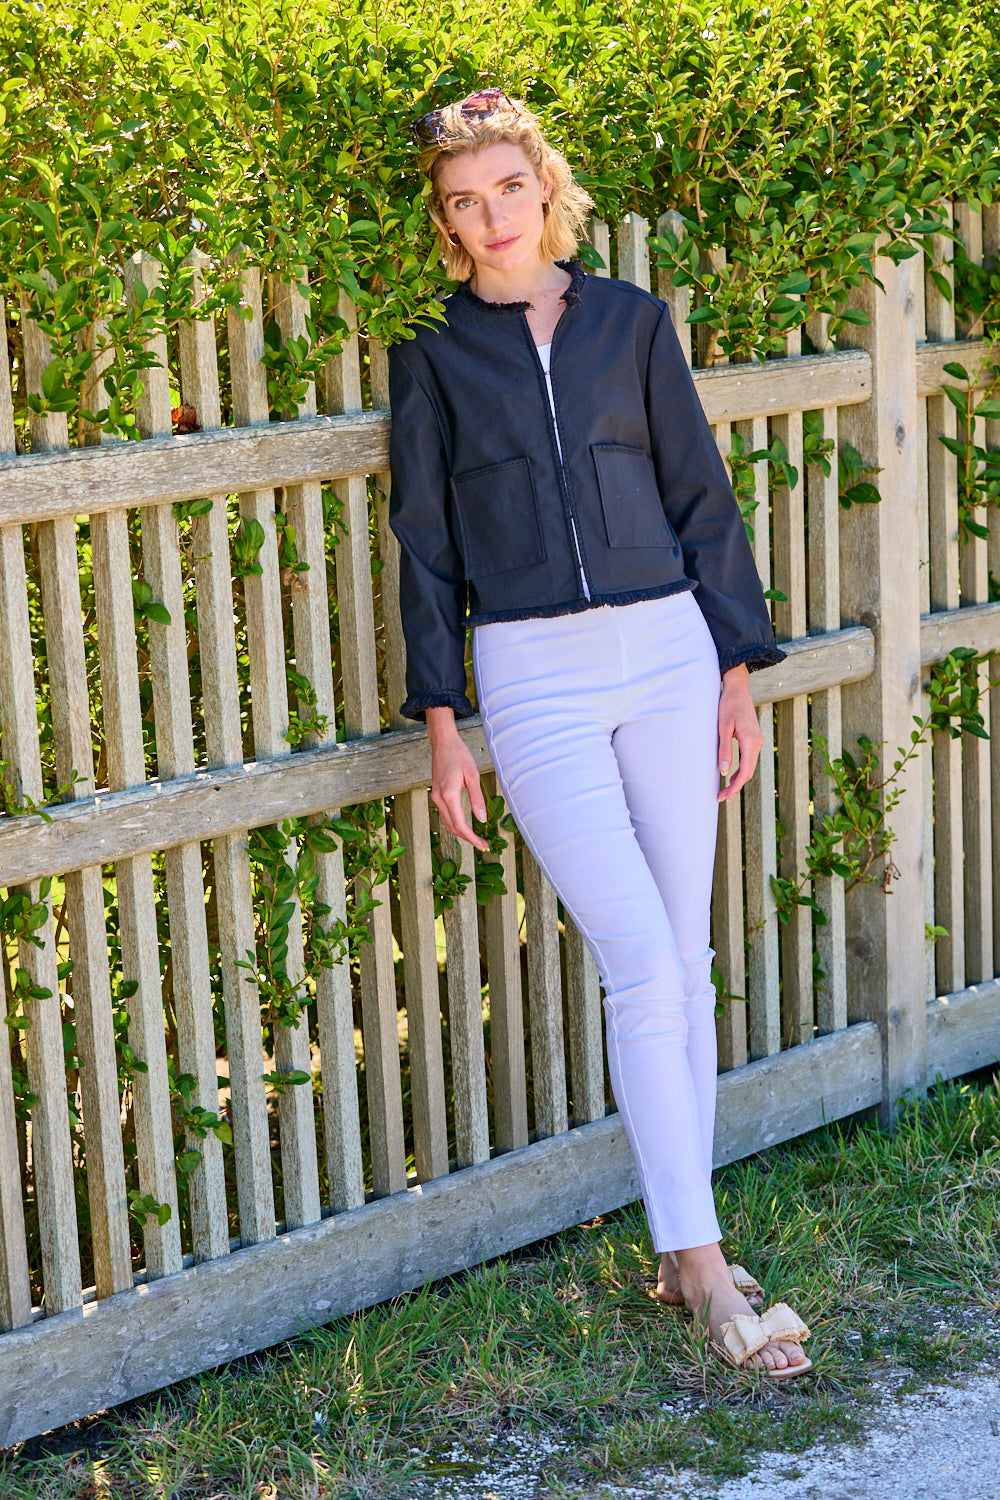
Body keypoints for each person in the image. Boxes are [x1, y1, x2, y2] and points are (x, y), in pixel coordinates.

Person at [386, 88, 812, 1380]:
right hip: (535, 673)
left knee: (682, 959)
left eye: (508, 188)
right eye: (465, 201)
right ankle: (698, 1263)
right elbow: (425, 542)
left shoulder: (632, 321)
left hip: (672, 653)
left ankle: (694, 1249)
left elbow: (701, 492)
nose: (491, 216)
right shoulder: (432, 351)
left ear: (545, 189)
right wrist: (443, 722)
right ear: (448, 227)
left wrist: (736, 666)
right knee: (638, 951)